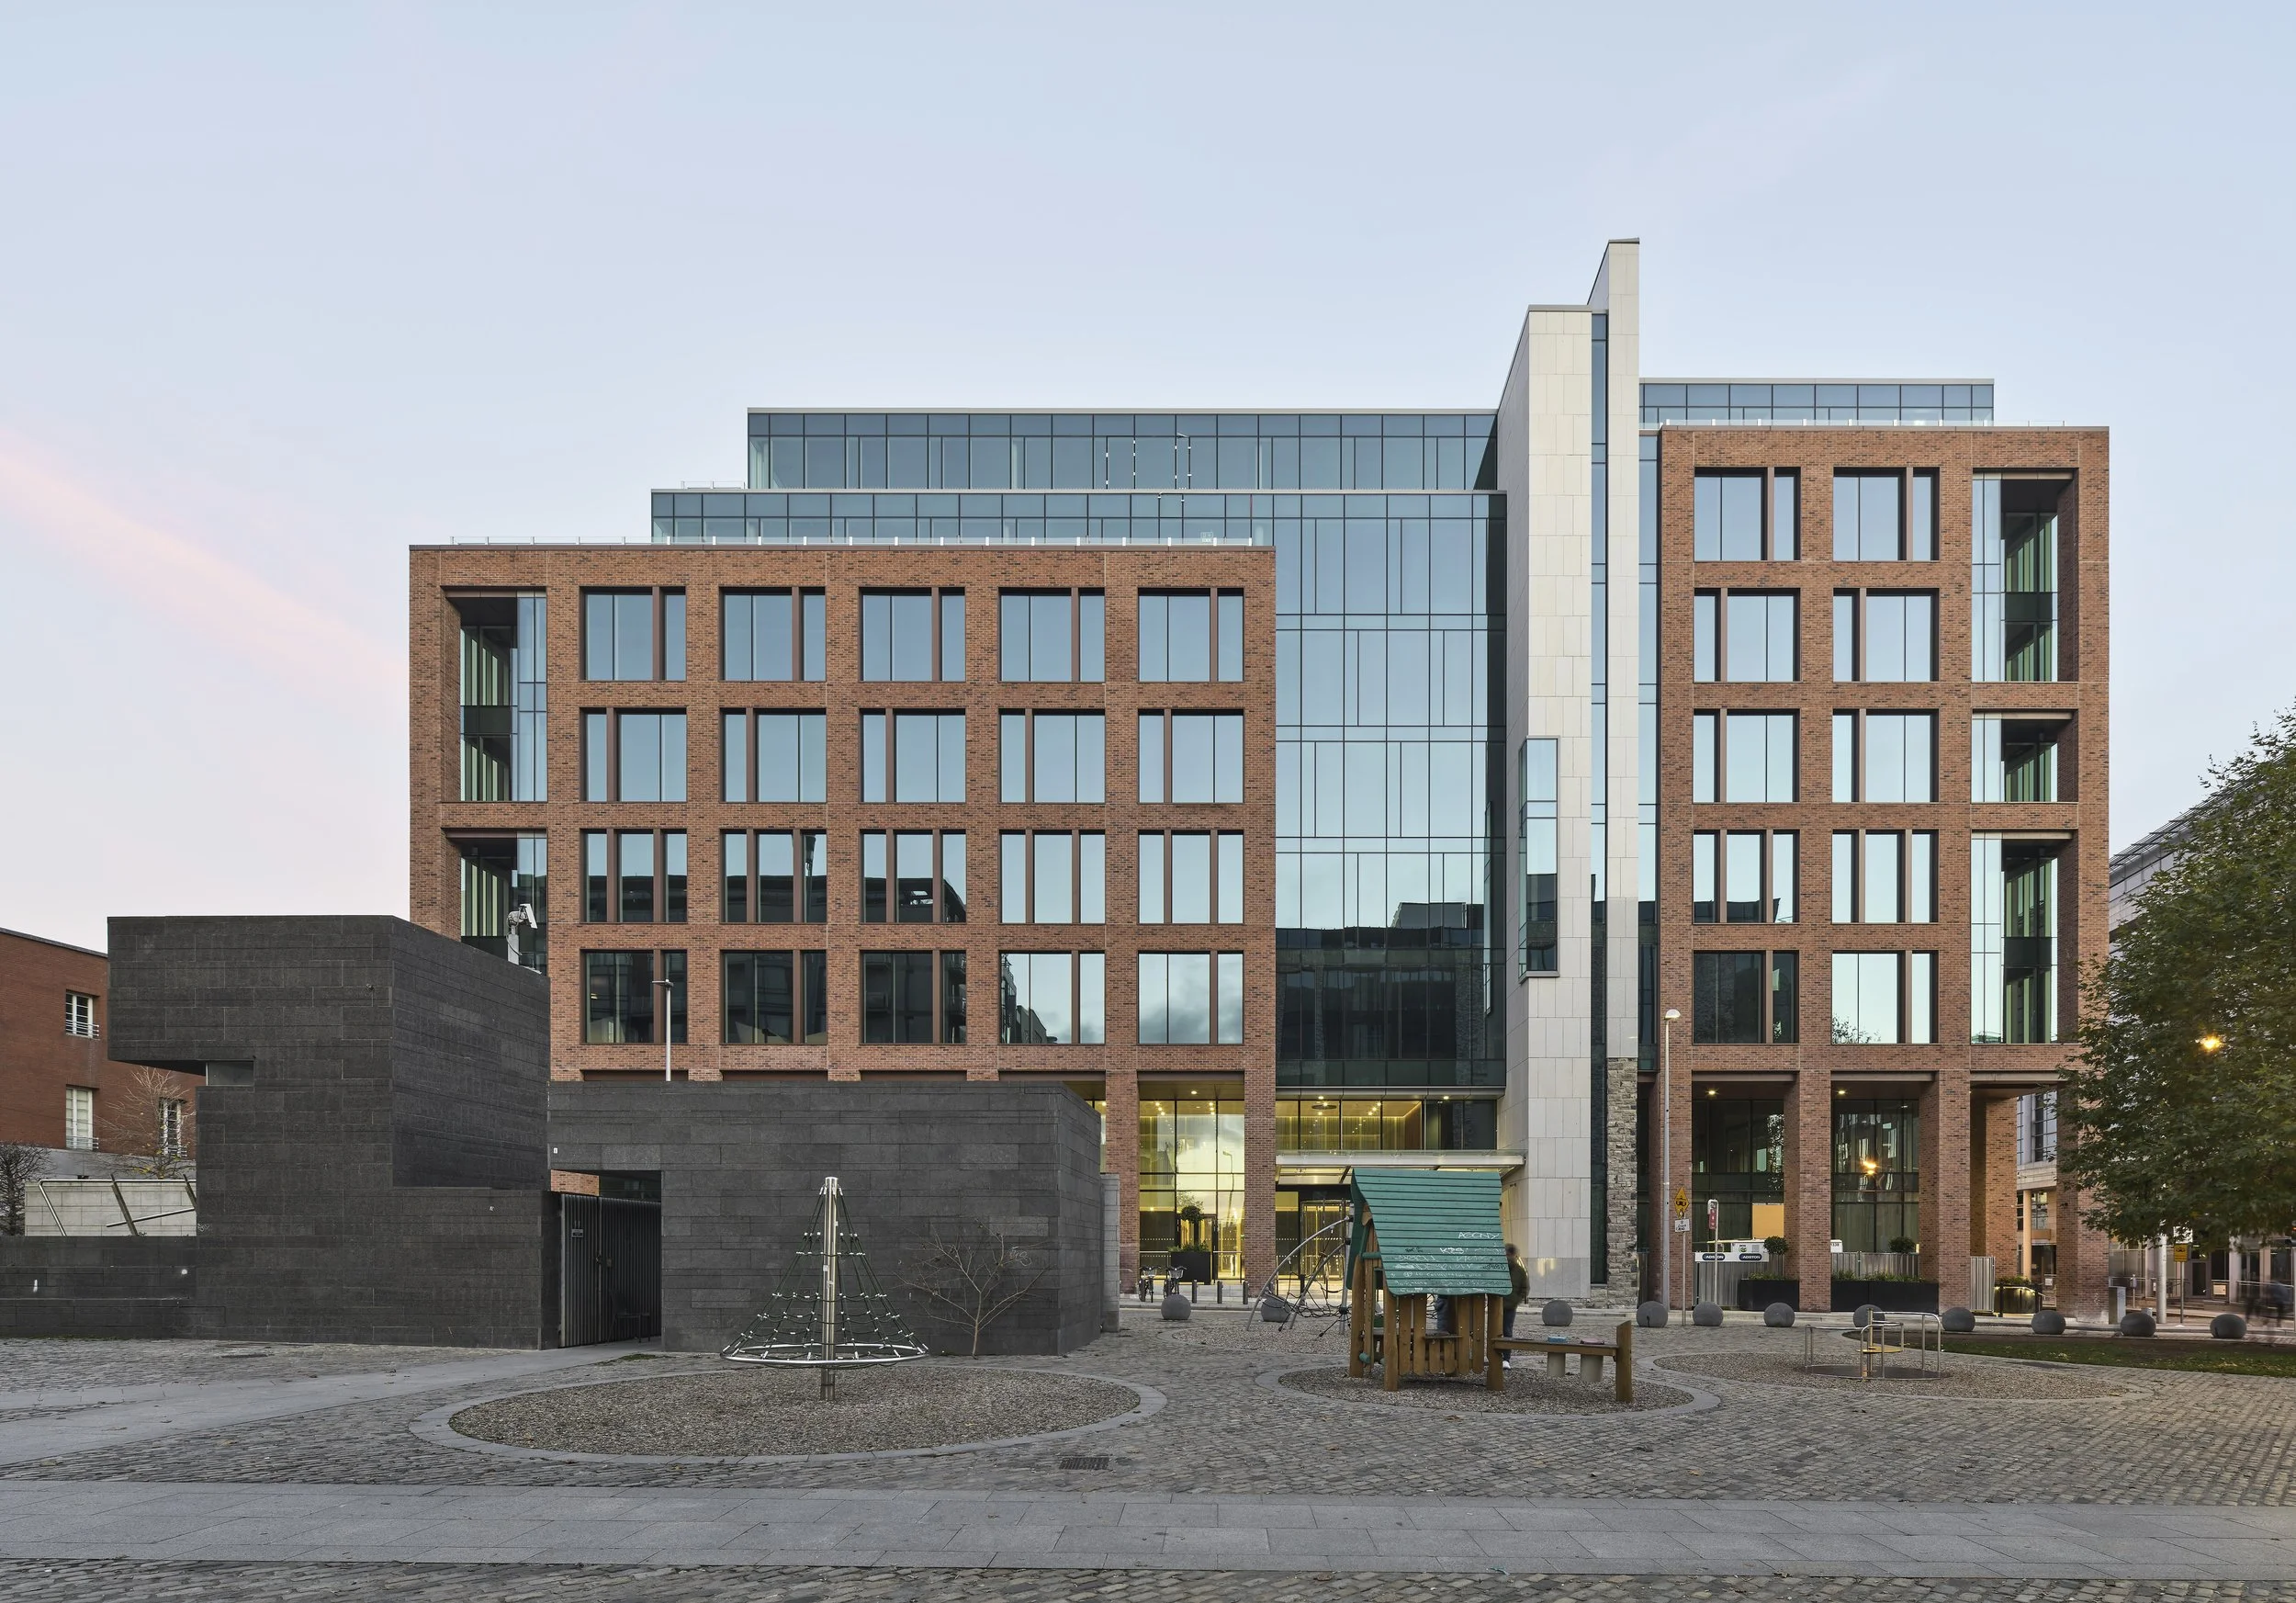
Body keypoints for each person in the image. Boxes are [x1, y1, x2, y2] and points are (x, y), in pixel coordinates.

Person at [1503, 1243, 1528, 1368]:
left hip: (1507, 1306)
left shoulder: (1519, 1270)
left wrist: (1515, 1300)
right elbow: (1525, 1289)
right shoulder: (1520, 1270)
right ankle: (1505, 1359)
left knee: (1504, 1332)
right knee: (1506, 1332)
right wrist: (1516, 1300)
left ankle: (1504, 1358)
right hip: (1505, 1306)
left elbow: (1524, 1289)